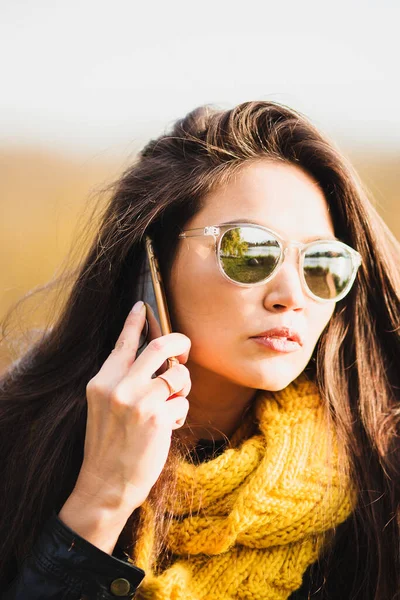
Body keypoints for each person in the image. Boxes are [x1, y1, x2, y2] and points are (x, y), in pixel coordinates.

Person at [0, 100, 399, 600]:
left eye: (321, 262)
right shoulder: (20, 448)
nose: (292, 296)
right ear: (153, 267)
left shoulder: (381, 479)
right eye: (250, 251)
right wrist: (102, 497)